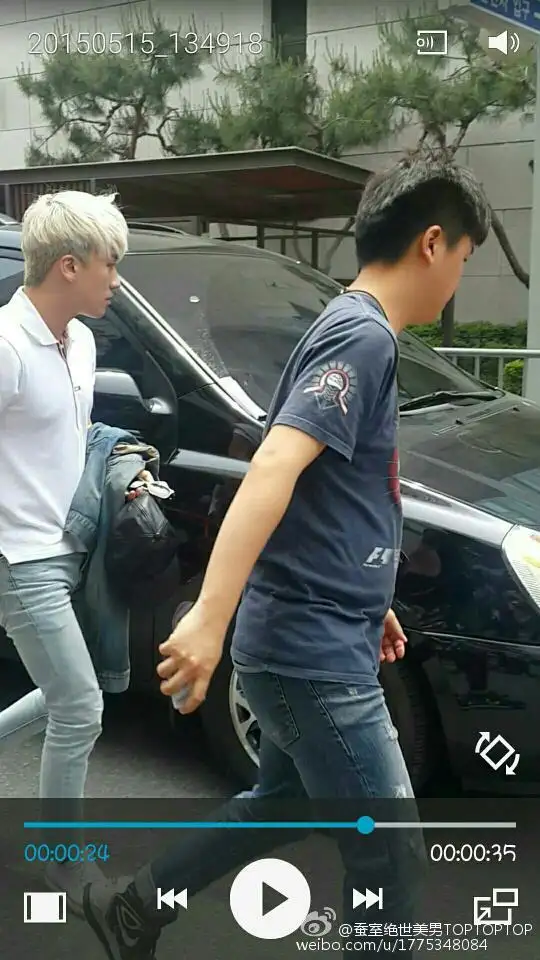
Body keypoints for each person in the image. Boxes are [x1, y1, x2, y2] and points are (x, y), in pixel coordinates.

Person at [83, 149, 491, 958]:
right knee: (391, 856)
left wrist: (371, 601)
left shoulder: (358, 330)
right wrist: (208, 618)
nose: (459, 279)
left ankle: (134, 907)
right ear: (432, 243)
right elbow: (272, 467)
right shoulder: (361, 336)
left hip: (318, 633)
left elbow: (331, 493)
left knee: (284, 801)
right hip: (311, 656)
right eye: (466, 259)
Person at [0, 190, 129, 912]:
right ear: (69, 266)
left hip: (67, 544)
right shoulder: (6, 347)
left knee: (64, 692)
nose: (117, 278)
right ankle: (61, 865)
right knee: (80, 706)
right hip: (17, 557)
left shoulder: (80, 341)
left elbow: (69, 439)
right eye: (110, 263)